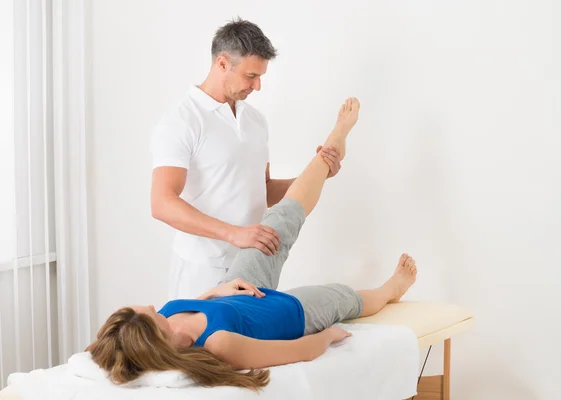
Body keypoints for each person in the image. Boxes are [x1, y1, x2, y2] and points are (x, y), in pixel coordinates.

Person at [91, 98, 418, 391]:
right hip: (290, 312)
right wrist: (326, 337)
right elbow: (293, 351)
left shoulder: (168, 313)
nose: (150, 306)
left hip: (241, 288)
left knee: (279, 219)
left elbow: (203, 301)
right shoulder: (218, 345)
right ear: (154, 335)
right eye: (146, 311)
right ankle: (392, 288)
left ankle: (331, 148)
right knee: (345, 296)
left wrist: (221, 290)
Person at [150, 18, 343, 300]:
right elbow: (162, 203)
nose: (258, 86)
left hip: (253, 266)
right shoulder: (181, 122)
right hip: (202, 271)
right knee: (201, 346)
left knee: (251, 343)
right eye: (251, 76)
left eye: (261, 76)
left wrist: (318, 173)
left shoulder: (255, 121)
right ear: (222, 63)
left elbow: (262, 190)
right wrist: (234, 234)